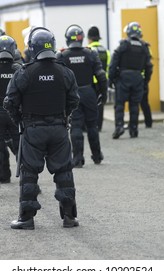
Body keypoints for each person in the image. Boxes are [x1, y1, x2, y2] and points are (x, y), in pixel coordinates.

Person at [3, 27, 80, 230]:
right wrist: (64, 116)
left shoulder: (24, 72)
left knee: (29, 173)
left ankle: (26, 219)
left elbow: (10, 102)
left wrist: (20, 119)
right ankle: (69, 217)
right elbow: (74, 100)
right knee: (64, 172)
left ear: (32, 48)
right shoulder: (65, 72)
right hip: (59, 129)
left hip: (32, 128)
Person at [56, 24, 107, 168]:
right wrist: (103, 95)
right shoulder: (90, 53)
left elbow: (58, 79)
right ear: (82, 38)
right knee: (92, 125)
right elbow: (101, 76)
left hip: (72, 95)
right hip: (89, 93)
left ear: (67, 39)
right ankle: (97, 156)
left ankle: (77, 159)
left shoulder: (62, 55)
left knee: (76, 126)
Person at [109, 21, 153, 139]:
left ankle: (119, 126)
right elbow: (149, 67)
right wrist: (145, 81)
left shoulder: (123, 45)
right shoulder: (144, 47)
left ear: (128, 32)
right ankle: (133, 129)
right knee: (134, 105)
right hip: (138, 79)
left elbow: (113, 64)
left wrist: (111, 79)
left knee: (119, 104)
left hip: (123, 78)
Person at [0, 35, 21, 184]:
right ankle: (27, 178)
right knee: (20, 146)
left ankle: (4, 175)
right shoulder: (19, 69)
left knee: (0, 147)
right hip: (15, 114)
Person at [87, 26, 111, 131]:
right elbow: (108, 66)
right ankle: (99, 126)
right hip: (103, 81)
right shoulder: (106, 51)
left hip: (92, 81)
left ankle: (91, 125)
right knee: (101, 103)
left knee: (90, 103)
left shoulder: (88, 50)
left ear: (89, 38)